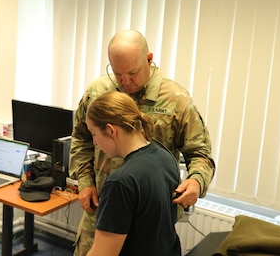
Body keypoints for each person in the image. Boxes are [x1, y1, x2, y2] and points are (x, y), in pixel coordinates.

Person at [69, 29, 215, 255]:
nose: (125, 81)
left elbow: (200, 153)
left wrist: (196, 181)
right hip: (102, 213)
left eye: (132, 72)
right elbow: (81, 138)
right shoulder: (97, 92)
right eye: (117, 73)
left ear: (149, 59)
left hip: (148, 222)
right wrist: (85, 181)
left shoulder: (176, 101)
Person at [84, 91, 181, 256]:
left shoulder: (120, 183)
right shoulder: (165, 158)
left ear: (110, 130)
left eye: (94, 134)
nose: (94, 142)